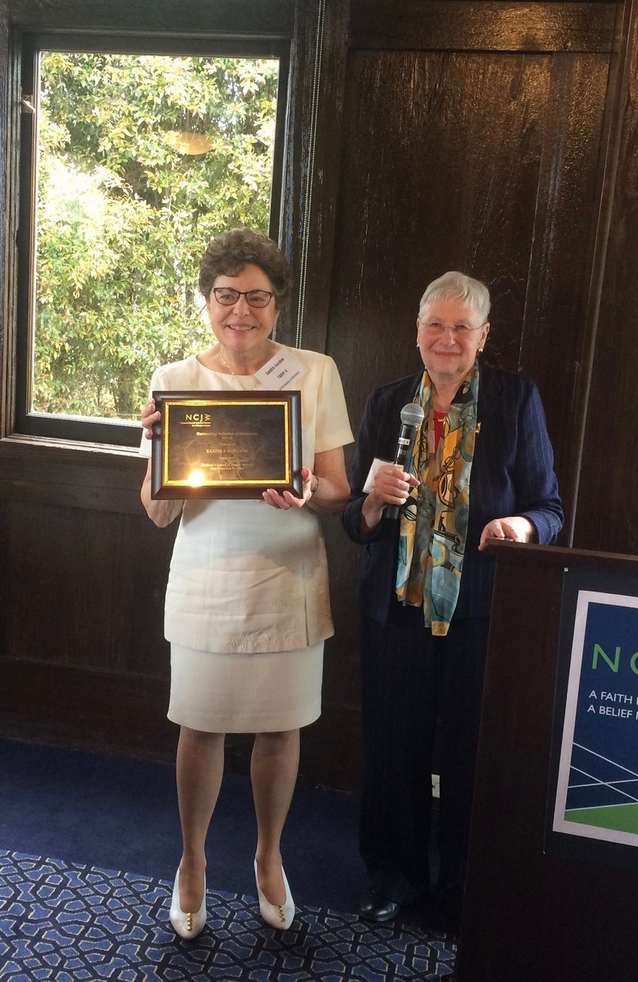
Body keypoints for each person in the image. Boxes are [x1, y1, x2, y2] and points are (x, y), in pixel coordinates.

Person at [140, 228, 352, 939]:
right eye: (227, 295)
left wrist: (308, 491)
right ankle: (193, 861)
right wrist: (161, 452)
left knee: (280, 727)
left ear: (277, 304)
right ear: (206, 301)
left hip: (289, 575)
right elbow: (159, 512)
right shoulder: (174, 380)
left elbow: (338, 490)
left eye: (257, 298)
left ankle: (268, 856)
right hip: (206, 576)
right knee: (199, 726)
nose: (241, 311)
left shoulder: (314, 372)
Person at [342, 271, 563, 932]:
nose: (446, 339)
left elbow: (550, 509)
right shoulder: (387, 402)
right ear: (417, 332)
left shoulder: (516, 401)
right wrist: (372, 502)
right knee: (393, 750)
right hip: (397, 609)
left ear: (483, 336)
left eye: (461, 327)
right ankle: (393, 875)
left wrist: (520, 526)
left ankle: (466, 885)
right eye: (435, 325)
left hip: (479, 614)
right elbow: (354, 521)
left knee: (472, 754)